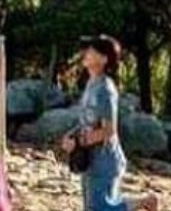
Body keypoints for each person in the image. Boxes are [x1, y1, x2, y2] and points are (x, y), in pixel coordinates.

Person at [60, 36, 161, 211]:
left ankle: (146, 202)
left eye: (91, 51)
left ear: (104, 59)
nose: (86, 54)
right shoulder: (91, 84)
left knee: (102, 207)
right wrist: (70, 136)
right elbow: (87, 121)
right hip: (89, 158)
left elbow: (108, 130)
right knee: (92, 207)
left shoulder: (106, 89)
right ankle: (145, 202)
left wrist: (78, 142)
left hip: (105, 160)